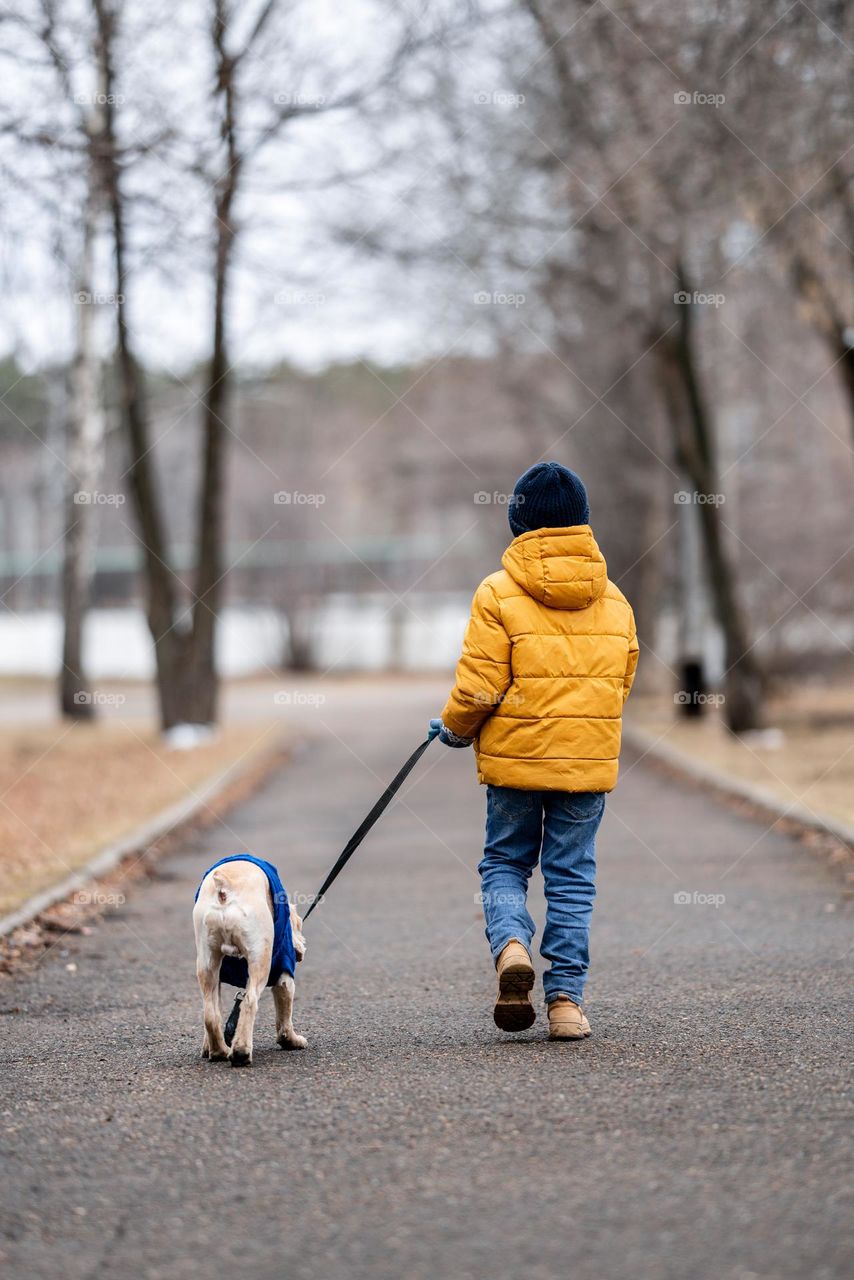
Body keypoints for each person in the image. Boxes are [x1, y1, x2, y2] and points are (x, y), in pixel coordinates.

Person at [431, 461, 638, 1040]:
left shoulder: (497, 592)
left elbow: (479, 684)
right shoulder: (615, 600)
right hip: (586, 767)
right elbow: (621, 681)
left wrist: (454, 727)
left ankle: (513, 946)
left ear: (518, 523)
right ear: (582, 524)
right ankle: (567, 1003)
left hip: (516, 765)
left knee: (506, 864)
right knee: (572, 879)